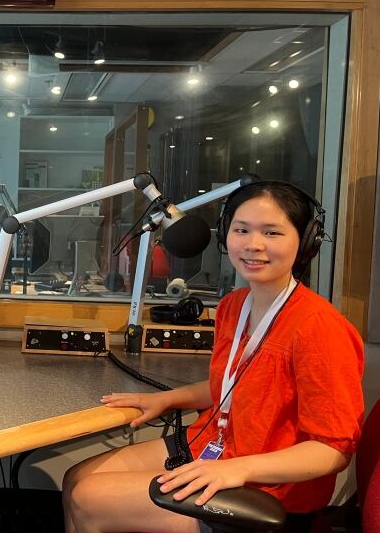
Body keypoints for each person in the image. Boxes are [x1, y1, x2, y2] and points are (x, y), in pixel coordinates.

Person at [62, 181, 364, 533]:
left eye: (272, 232)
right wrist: (167, 399)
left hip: (266, 486)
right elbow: (235, 384)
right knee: (77, 476)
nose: (254, 244)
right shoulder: (234, 306)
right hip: (217, 448)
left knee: (89, 497)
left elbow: (331, 450)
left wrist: (240, 469)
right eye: (241, 230)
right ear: (225, 236)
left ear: (305, 241)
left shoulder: (320, 329)